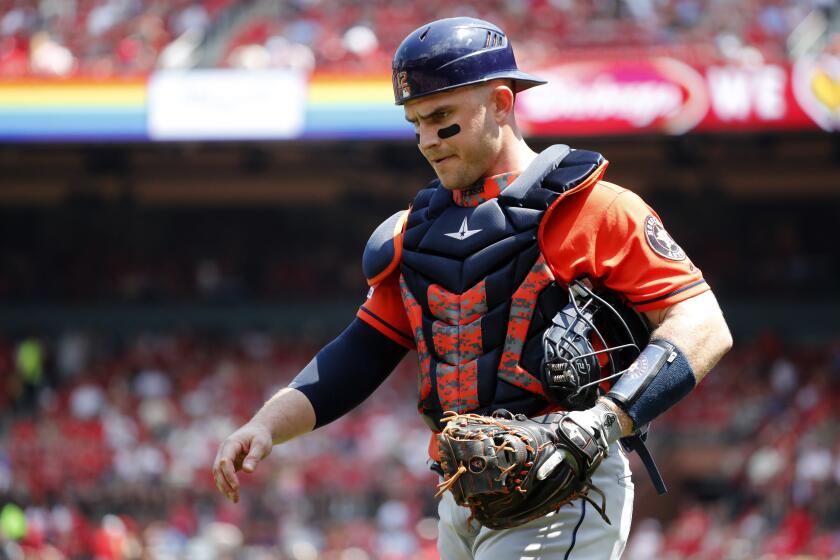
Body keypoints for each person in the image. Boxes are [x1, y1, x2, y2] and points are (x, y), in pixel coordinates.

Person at [212, 16, 733, 559]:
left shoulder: (596, 207)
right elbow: (361, 351)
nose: (428, 141)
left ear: (502, 102)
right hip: (462, 495)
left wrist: (604, 419)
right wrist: (267, 423)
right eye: (416, 124)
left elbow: (702, 324)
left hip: (564, 484)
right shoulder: (416, 232)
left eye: (442, 118)